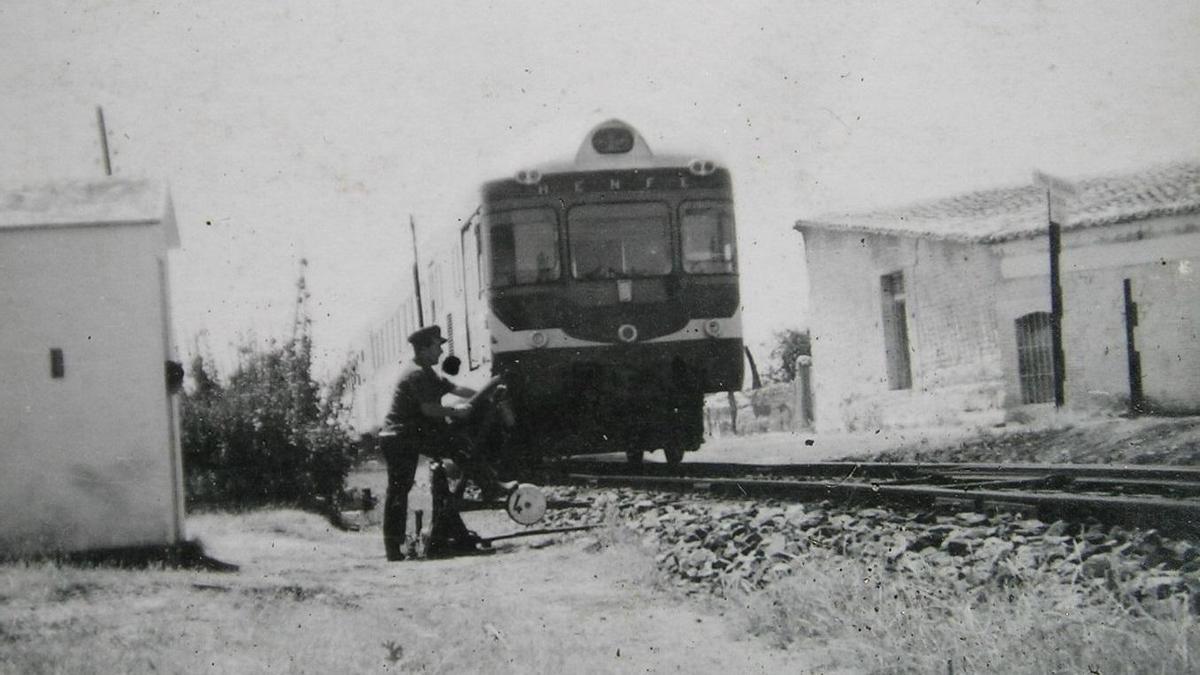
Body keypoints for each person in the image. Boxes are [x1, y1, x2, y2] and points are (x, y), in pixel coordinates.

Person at [380, 325, 478, 561]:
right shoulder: (416, 374)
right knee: (399, 491)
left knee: (401, 489)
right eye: (437, 346)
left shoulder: (427, 372)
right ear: (424, 349)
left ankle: (398, 546)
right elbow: (428, 408)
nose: (441, 352)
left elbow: (456, 388)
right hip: (399, 437)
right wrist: (456, 411)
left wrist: (483, 393)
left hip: (406, 436)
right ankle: (393, 550)